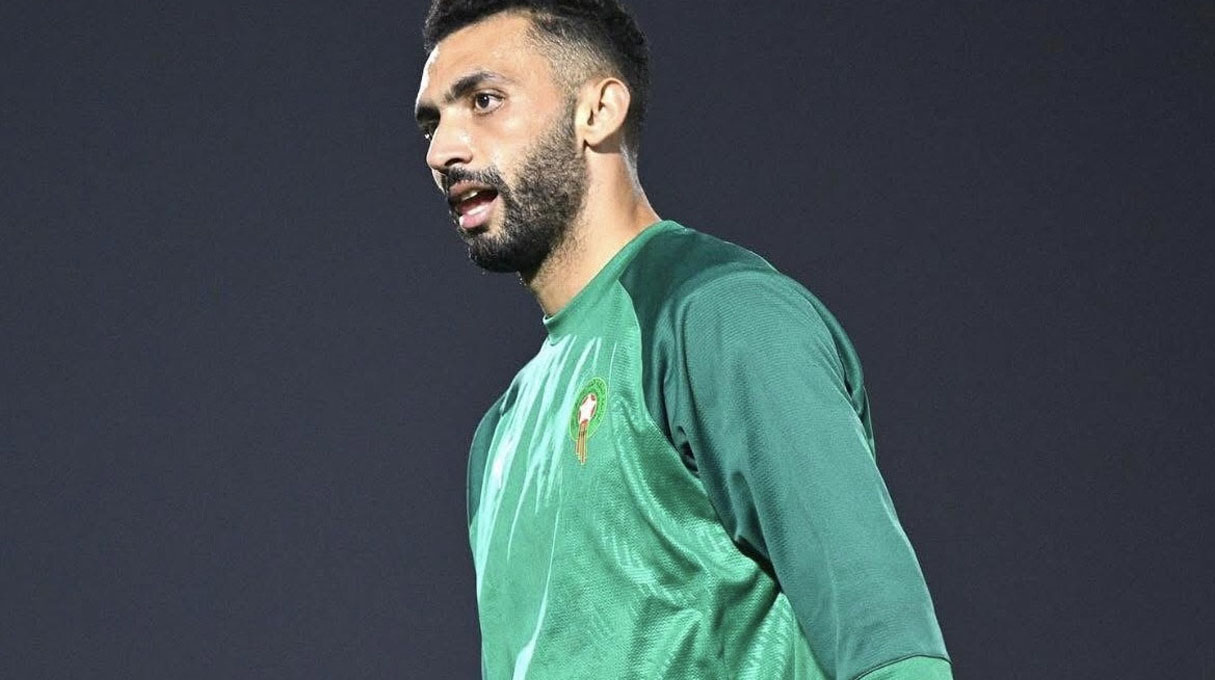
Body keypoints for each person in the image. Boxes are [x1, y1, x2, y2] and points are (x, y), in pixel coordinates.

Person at [414, 2, 952, 678]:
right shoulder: (498, 434)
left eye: (484, 101)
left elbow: (889, 650)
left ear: (598, 111)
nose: (442, 152)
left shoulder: (720, 316)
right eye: (432, 122)